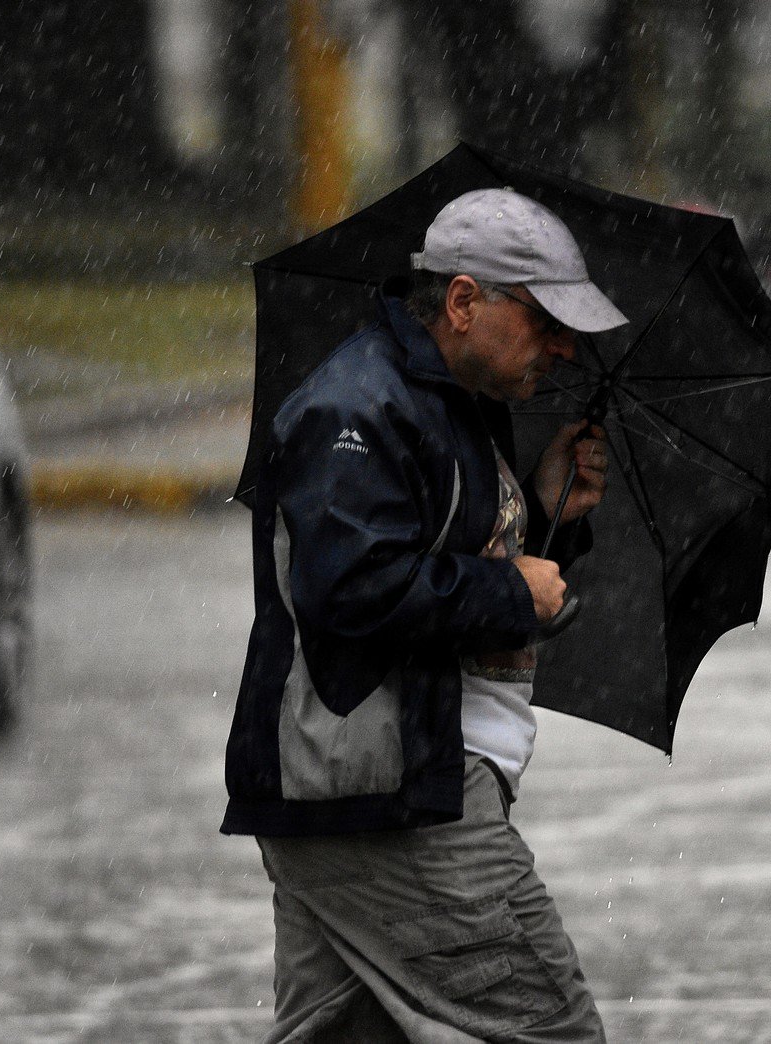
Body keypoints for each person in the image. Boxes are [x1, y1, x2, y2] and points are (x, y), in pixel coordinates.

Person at [222, 188, 629, 1042]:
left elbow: (453, 567)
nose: (562, 348)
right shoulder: (357, 410)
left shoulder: (453, 405)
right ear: (462, 300)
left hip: (379, 790)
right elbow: (352, 590)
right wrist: (515, 591)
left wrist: (553, 513)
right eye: (545, 320)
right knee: (552, 1030)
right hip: (391, 797)